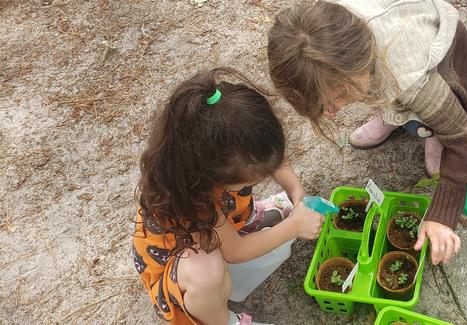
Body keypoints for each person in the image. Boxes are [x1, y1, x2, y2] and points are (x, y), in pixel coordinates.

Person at [267, 0, 467, 265]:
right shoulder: (320, 34)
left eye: (338, 97)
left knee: (431, 119)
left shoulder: (410, 76)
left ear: (361, 65)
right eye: (325, 105)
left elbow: (463, 139)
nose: (332, 113)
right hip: (385, 69)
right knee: (383, 94)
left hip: (450, 63)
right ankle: (391, 116)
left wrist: (441, 217)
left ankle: (431, 132)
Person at [133, 68, 324, 325]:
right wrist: (293, 226)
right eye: (251, 180)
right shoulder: (192, 197)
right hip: (182, 269)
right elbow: (237, 252)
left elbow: (272, 158)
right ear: (214, 176)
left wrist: (295, 190)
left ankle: (245, 221)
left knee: (277, 226)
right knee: (207, 271)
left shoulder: (230, 143)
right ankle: (224, 321)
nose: (259, 180)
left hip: (222, 227)